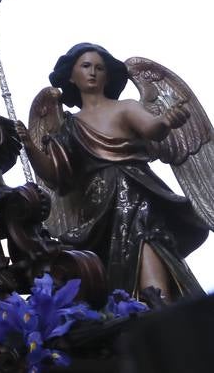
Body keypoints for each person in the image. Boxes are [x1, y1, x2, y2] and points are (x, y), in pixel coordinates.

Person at [17, 43, 210, 302]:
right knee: (109, 265)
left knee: (145, 237)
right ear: (71, 76)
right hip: (98, 209)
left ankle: (158, 302)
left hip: (139, 191)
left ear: (108, 75)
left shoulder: (125, 107)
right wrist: (29, 146)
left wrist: (165, 121)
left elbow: (152, 128)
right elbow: (56, 176)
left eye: (99, 68)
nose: (93, 72)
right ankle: (132, 310)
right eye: (85, 66)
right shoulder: (68, 126)